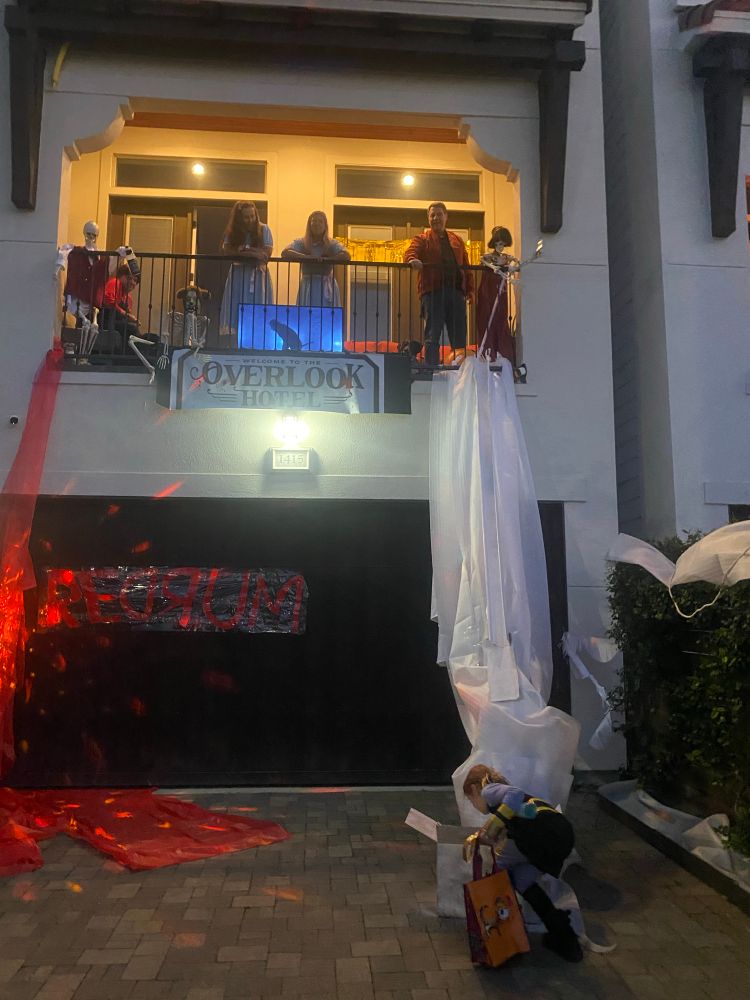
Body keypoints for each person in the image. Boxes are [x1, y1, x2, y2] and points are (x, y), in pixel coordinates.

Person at [463, 764, 583, 963]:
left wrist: (494, 827)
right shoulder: (509, 806)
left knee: (496, 868)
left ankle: (501, 934)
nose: (474, 805)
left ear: (474, 789)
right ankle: (564, 938)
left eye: (470, 800)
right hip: (558, 838)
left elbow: (514, 794)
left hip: (542, 836)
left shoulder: (488, 790)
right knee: (522, 882)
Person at [403, 202, 474, 366]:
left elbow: (465, 265)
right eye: (432, 215)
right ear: (428, 218)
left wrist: (470, 290)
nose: (435, 218)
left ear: (446, 216)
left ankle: (459, 370)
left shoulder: (456, 240)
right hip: (433, 293)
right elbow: (410, 251)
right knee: (432, 335)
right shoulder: (422, 238)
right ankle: (431, 369)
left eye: (439, 214)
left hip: (456, 293)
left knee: (459, 336)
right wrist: (412, 259)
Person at [219, 201, 274, 340]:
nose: (250, 220)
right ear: (239, 218)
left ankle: (258, 341)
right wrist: (254, 253)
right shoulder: (233, 232)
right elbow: (227, 250)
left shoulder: (264, 229)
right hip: (238, 275)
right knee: (235, 307)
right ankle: (235, 343)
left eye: (252, 216)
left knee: (259, 309)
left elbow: (266, 253)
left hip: (258, 276)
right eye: (246, 217)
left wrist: (243, 251)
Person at [281, 211, 350, 307]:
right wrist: (307, 258)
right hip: (309, 285)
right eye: (314, 221)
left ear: (325, 225)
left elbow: (346, 255)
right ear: (309, 225)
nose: (317, 224)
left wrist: (327, 260)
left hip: (326, 286)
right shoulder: (302, 242)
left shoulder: (332, 243)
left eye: (320, 221)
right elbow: (285, 252)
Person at [476, 226, 517, 363]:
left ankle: (501, 352)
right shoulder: (489, 257)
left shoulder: (506, 258)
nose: (501, 246)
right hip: (489, 289)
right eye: (498, 243)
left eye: (503, 244)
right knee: (488, 316)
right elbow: (482, 260)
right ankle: (488, 351)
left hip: (501, 289)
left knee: (500, 316)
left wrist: (512, 268)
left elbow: (517, 263)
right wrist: (494, 267)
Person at [98, 264, 140, 352]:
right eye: (130, 278)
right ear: (122, 276)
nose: (133, 283)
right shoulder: (115, 282)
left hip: (117, 323)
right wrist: (126, 315)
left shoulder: (129, 298)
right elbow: (108, 301)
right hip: (106, 320)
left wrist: (131, 318)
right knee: (132, 330)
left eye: (136, 281)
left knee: (132, 329)